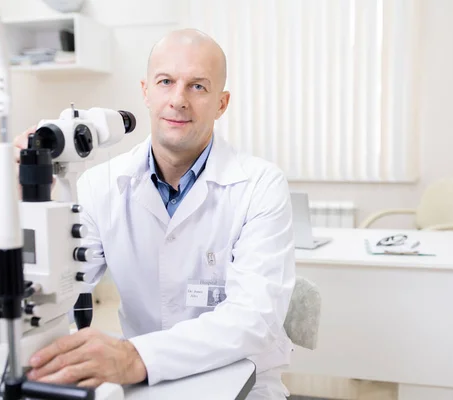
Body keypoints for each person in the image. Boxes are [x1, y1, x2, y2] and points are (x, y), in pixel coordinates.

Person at [15, 28, 296, 399]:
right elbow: (59, 294)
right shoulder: (100, 186)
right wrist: (34, 203)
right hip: (141, 383)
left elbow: (254, 320)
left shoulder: (261, 185)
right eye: (166, 81)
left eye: (198, 86)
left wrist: (135, 356)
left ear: (222, 103)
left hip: (241, 379)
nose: (178, 99)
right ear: (146, 91)